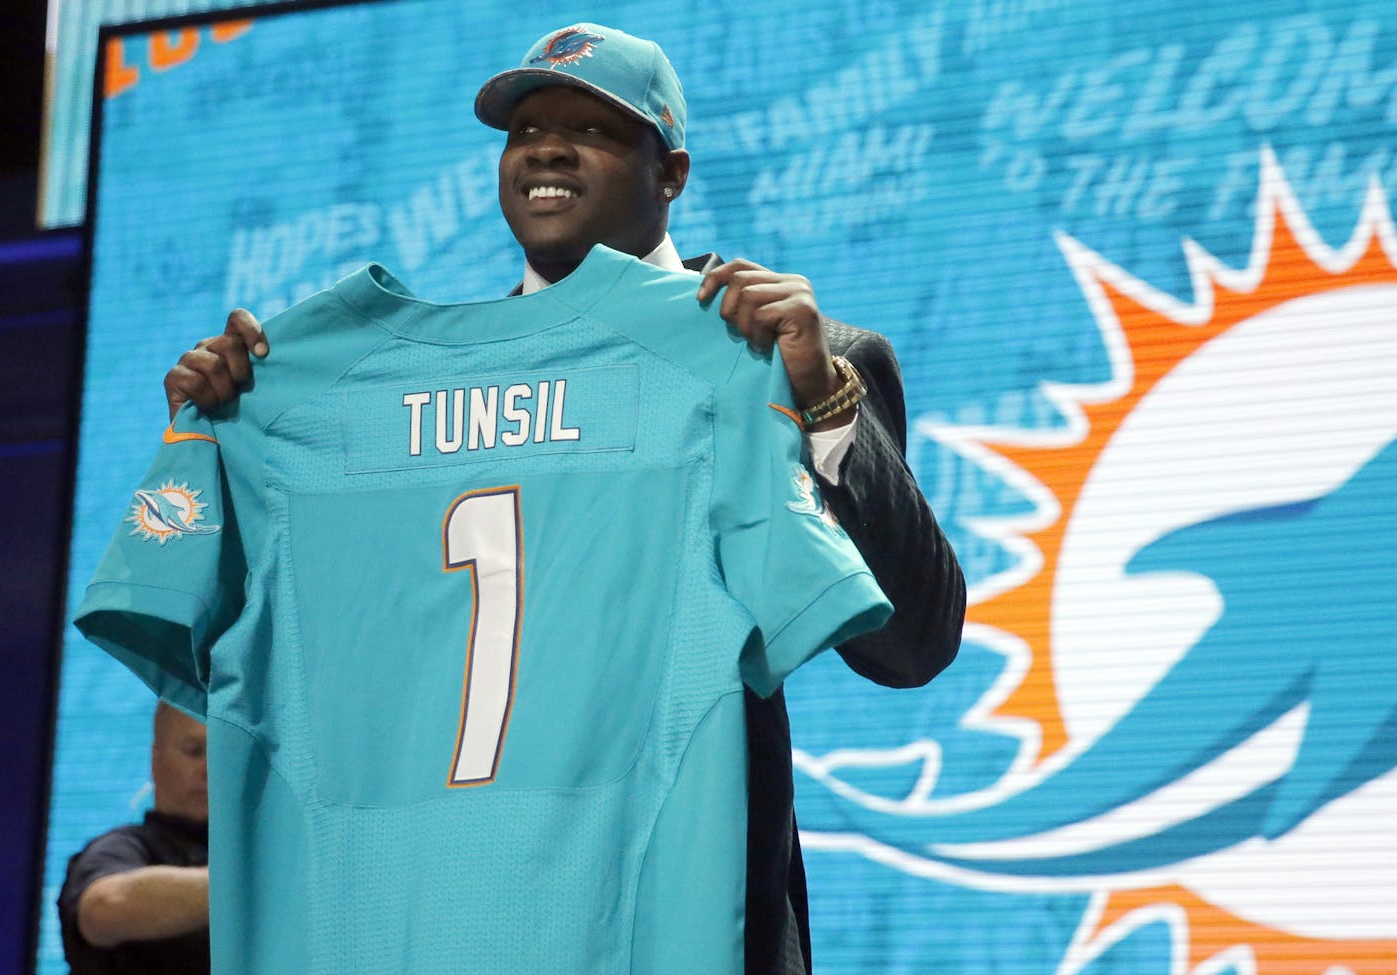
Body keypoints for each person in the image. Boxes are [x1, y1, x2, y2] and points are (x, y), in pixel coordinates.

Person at [157, 23, 965, 973]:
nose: (544, 147)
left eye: (593, 128)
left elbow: (914, 644)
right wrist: (223, 425)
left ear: (672, 174)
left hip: (677, 923)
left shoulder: (783, 353)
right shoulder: (390, 385)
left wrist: (820, 396)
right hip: (443, 918)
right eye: (525, 128)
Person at [57, 702, 210, 975]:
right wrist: (245, 887)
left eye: (225, 757)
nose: (209, 769)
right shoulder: (122, 848)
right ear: (155, 759)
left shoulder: (263, 856)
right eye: (195, 751)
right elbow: (104, 907)